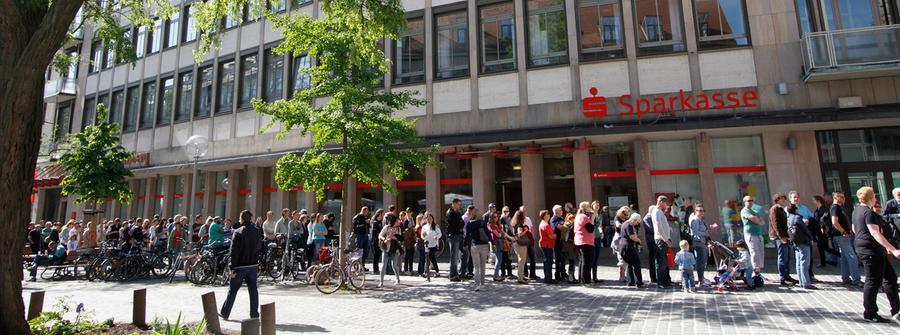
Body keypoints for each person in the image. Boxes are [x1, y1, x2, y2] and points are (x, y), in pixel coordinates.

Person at [853, 187, 900, 323]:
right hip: (871, 251)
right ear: (871, 198)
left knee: (890, 278)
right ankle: (870, 313)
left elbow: (855, 229)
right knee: (872, 281)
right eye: (874, 196)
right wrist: (892, 249)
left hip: (868, 249)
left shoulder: (856, 211)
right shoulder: (869, 213)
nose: (875, 198)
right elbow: (875, 233)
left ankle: (896, 309)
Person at [220, 210, 262, 321]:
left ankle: (225, 312)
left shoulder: (238, 231)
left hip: (240, 266)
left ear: (242, 219)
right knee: (253, 290)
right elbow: (259, 248)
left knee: (232, 290)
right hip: (253, 265)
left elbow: (234, 251)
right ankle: (254, 314)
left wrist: (232, 267)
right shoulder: (257, 231)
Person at [831, 192, 862, 286]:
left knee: (844, 258)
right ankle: (856, 280)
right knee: (852, 257)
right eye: (841, 197)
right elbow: (834, 222)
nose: (844, 198)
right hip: (841, 236)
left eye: (844, 197)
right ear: (836, 197)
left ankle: (845, 278)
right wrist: (843, 232)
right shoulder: (835, 207)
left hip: (844, 235)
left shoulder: (840, 207)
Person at [769, 192, 796, 286]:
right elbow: (775, 224)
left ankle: (787, 275)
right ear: (778, 199)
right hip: (780, 237)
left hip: (785, 235)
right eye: (782, 198)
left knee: (787, 256)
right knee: (782, 257)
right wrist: (781, 237)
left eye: (784, 198)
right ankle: (783, 278)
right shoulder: (775, 209)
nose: (784, 200)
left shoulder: (781, 209)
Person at [787, 204, 815, 290]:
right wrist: (811, 238)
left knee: (799, 262)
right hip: (803, 241)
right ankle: (806, 283)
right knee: (804, 262)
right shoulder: (797, 218)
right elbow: (805, 230)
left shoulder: (789, 218)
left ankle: (801, 281)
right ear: (795, 210)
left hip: (795, 241)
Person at [464, 208, 491, 291]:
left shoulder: (469, 224)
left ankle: (477, 285)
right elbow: (488, 233)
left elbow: (467, 235)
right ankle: (482, 284)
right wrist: (492, 243)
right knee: (483, 266)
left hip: (475, 245)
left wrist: (464, 244)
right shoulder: (482, 223)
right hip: (484, 245)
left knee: (476, 267)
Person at [740, 195, 764, 278]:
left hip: (758, 234)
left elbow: (761, 221)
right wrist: (757, 220)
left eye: (751, 200)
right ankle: (754, 273)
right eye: (748, 201)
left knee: (760, 253)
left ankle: (758, 272)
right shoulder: (744, 211)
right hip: (750, 235)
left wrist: (757, 220)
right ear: (744, 202)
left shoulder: (754, 211)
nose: (750, 202)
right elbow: (755, 219)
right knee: (754, 253)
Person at [652, 196, 673, 289]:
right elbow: (658, 227)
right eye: (665, 203)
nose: (666, 205)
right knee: (661, 262)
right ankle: (661, 282)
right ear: (660, 202)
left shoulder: (659, 212)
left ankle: (666, 280)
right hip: (661, 240)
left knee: (664, 261)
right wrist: (666, 239)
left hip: (663, 239)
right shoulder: (656, 211)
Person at [377, 214, 402, 288]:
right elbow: (380, 235)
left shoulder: (398, 229)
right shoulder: (386, 227)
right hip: (386, 248)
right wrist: (384, 239)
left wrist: (393, 237)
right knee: (383, 265)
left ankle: (397, 279)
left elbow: (400, 238)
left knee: (394, 265)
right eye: (397, 221)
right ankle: (381, 282)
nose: (398, 222)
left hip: (395, 249)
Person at [620, 208, 643, 287]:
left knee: (630, 264)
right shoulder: (629, 225)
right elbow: (632, 236)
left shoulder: (624, 224)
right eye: (637, 222)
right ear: (634, 219)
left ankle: (632, 281)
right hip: (628, 246)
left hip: (623, 246)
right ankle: (639, 282)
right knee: (636, 264)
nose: (636, 224)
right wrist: (639, 240)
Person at [574, 201, 596, 285]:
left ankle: (581, 279)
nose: (591, 208)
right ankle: (586, 281)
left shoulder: (578, 216)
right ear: (586, 208)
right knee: (587, 262)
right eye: (589, 206)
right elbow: (590, 229)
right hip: (585, 242)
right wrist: (592, 219)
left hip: (580, 241)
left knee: (582, 261)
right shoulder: (584, 217)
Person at [488, 211, 511, 281]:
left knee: (500, 259)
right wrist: (501, 233)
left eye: (497, 216)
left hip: (500, 242)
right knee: (499, 260)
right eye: (494, 217)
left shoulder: (497, 225)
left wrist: (511, 238)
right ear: (491, 218)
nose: (496, 218)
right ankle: (495, 276)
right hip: (496, 243)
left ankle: (496, 275)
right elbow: (498, 235)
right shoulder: (491, 225)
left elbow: (503, 233)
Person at [446, 198, 465, 282]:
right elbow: (457, 224)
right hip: (453, 236)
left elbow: (462, 223)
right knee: (454, 256)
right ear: (453, 204)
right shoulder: (450, 212)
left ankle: (461, 272)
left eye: (460, 204)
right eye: (458, 204)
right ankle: (453, 275)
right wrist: (460, 223)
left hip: (459, 235)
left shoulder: (458, 212)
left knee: (465, 253)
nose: (459, 206)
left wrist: (460, 223)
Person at [689, 205, 709, 287]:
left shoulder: (700, 220)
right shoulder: (695, 220)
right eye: (699, 210)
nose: (701, 212)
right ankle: (700, 280)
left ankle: (702, 278)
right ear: (695, 211)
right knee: (700, 262)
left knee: (703, 261)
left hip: (702, 242)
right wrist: (705, 233)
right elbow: (695, 232)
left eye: (702, 210)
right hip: (698, 242)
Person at [511, 210, 532, 284]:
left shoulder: (514, 224)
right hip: (520, 244)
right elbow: (520, 234)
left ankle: (521, 275)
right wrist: (526, 230)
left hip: (516, 243)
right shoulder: (520, 225)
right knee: (522, 260)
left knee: (521, 260)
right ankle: (520, 277)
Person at [519, 206, 539, 281]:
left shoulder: (528, 219)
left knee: (533, 258)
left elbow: (531, 229)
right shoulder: (519, 221)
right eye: (522, 211)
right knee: (524, 259)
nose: (524, 212)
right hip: (523, 242)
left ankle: (533, 274)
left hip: (530, 241)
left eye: (525, 211)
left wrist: (532, 238)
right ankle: (525, 274)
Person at [538, 210, 557, 284]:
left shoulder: (544, 223)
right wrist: (556, 236)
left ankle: (547, 278)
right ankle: (549, 279)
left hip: (546, 244)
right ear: (544, 216)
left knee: (547, 262)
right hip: (547, 245)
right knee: (549, 262)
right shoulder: (545, 225)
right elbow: (551, 236)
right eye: (548, 214)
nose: (549, 215)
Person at [420, 212, 441, 276]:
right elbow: (422, 235)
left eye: (431, 219)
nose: (429, 220)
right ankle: (427, 272)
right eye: (428, 219)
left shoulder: (435, 226)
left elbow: (439, 234)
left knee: (431, 257)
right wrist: (424, 234)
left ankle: (432, 272)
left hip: (433, 244)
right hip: (427, 244)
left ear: (433, 219)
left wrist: (436, 237)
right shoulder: (424, 227)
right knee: (428, 258)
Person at [642, 205, 658, 284]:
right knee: (652, 259)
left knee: (656, 259)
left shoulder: (653, 217)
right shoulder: (647, 218)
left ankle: (657, 276)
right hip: (651, 241)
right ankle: (653, 277)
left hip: (655, 240)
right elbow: (651, 228)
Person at [551, 205, 566, 281]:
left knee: (563, 257)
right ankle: (557, 274)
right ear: (556, 211)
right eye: (560, 210)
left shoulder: (561, 218)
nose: (562, 211)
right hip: (556, 241)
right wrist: (567, 226)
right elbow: (560, 227)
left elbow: (565, 227)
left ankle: (563, 272)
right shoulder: (554, 219)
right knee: (558, 258)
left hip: (562, 240)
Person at [590, 201, 604, 282]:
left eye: (598, 205)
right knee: (593, 256)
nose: (597, 206)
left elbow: (599, 226)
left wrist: (602, 232)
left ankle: (595, 276)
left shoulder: (600, 215)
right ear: (592, 206)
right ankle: (592, 276)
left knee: (596, 257)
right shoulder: (591, 214)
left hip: (598, 236)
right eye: (596, 205)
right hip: (592, 237)